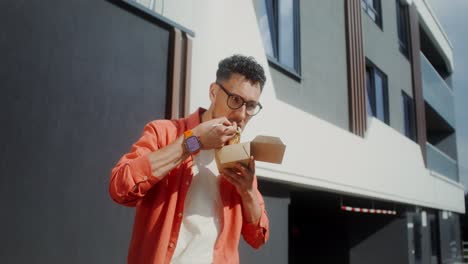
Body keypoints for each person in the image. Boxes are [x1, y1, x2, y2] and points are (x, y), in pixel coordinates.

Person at [109, 55, 269, 264]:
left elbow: (258, 238)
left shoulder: (241, 155)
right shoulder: (164, 132)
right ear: (213, 92)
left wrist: (247, 192)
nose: (241, 115)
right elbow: (120, 188)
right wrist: (194, 143)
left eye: (250, 106)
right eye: (236, 100)